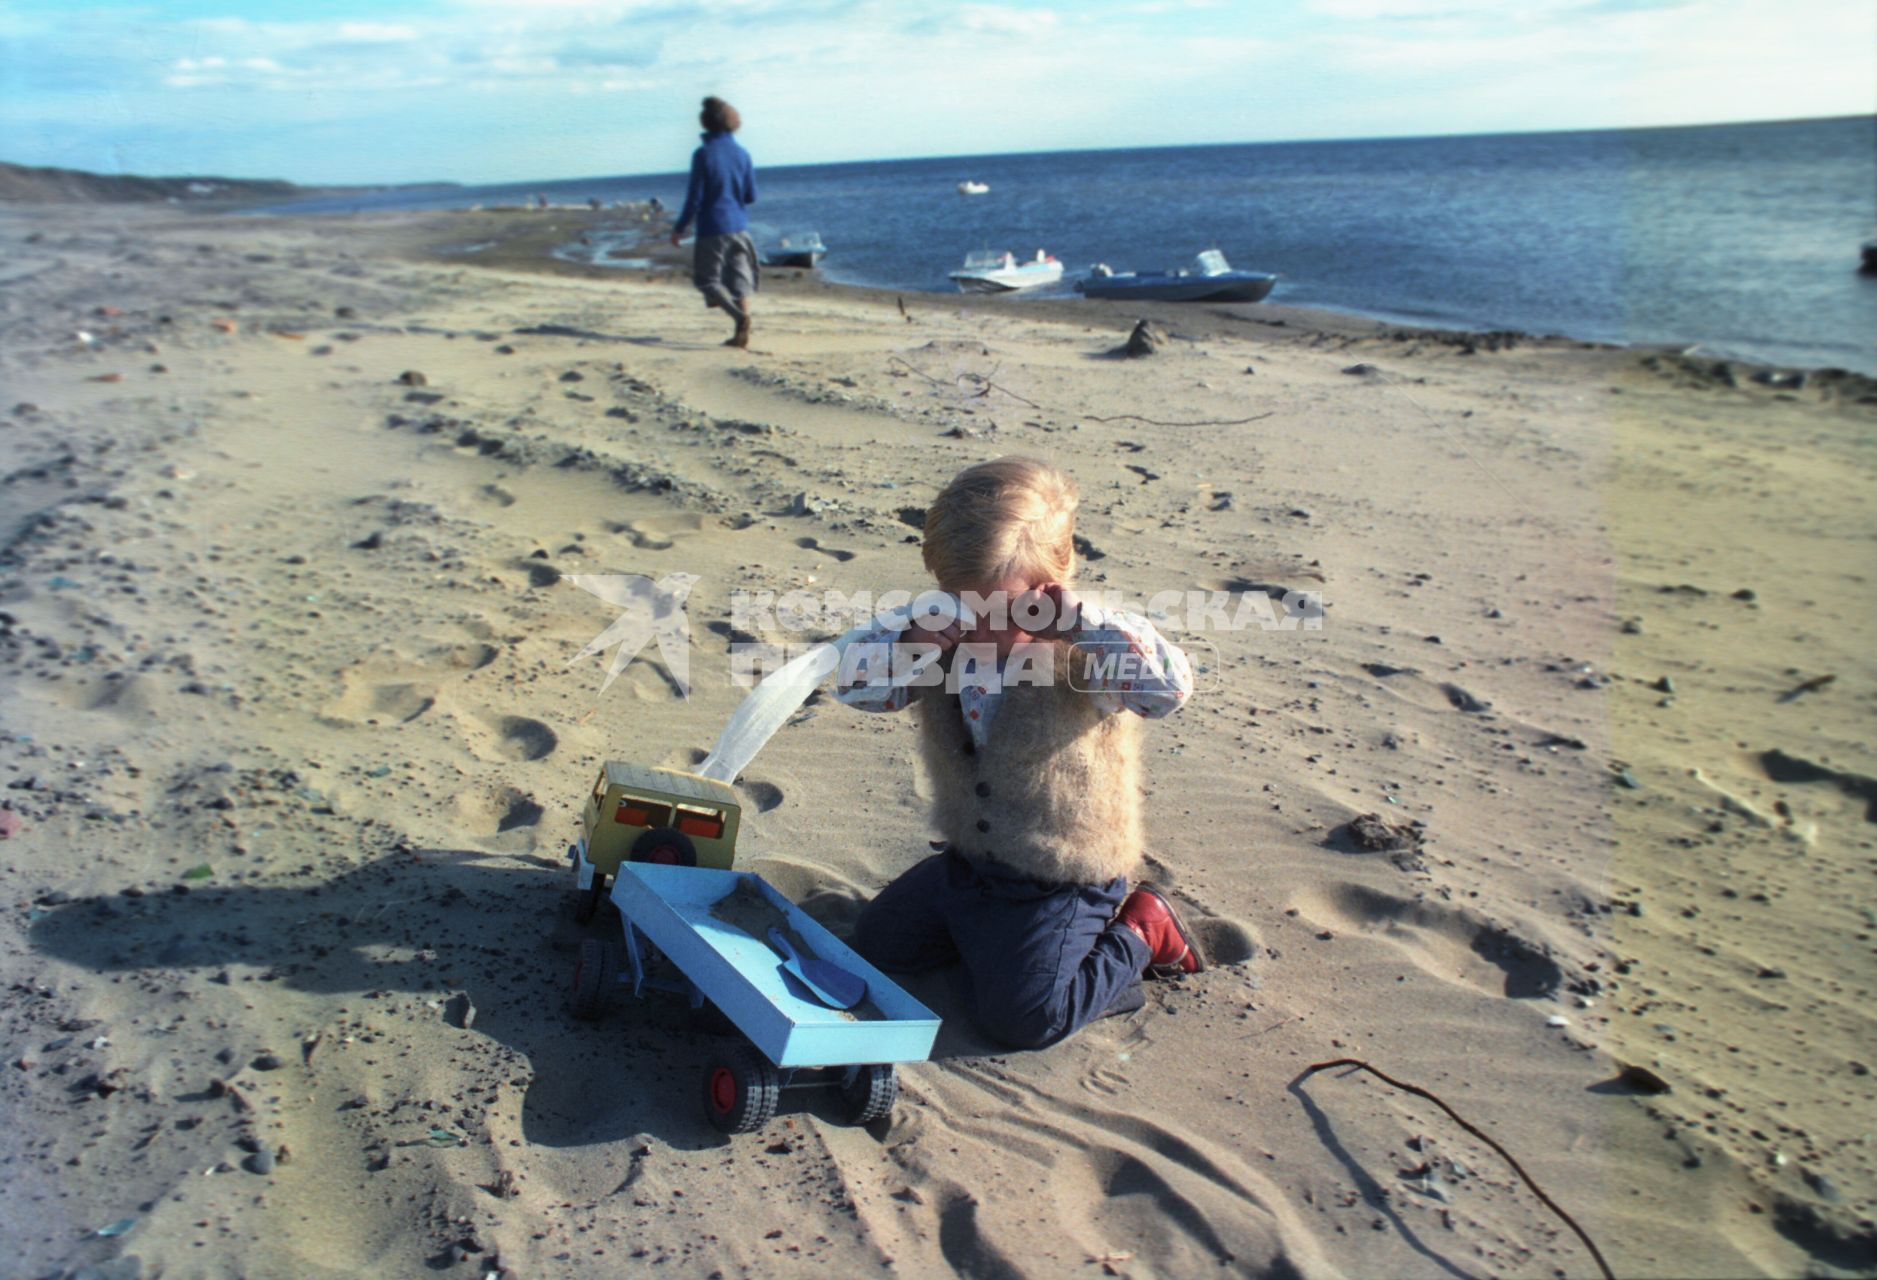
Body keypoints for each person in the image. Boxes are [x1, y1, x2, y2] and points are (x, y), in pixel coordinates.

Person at [835, 457, 1205, 1051]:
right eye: (964, 606)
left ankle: (1142, 930)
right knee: (880, 943)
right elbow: (856, 687)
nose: (981, 628)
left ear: (1052, 587)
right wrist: (911, 642)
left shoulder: (1091, 651)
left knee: (1023, 1019)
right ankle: (992, 941)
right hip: (972, 862)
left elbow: (1168, 690)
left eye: (1005, 610)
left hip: (1065, 877)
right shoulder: (937, 640)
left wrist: (1085, 625)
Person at [670, 96, 758, 349]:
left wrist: (679, 227)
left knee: (706, 280)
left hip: (712, 227)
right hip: (739, 226)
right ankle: (742, 333)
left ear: (705, 124)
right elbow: (751, 195)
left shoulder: (703, 154)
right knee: (740, 282)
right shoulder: (742, 154)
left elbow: (694, 198)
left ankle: (740, 319)